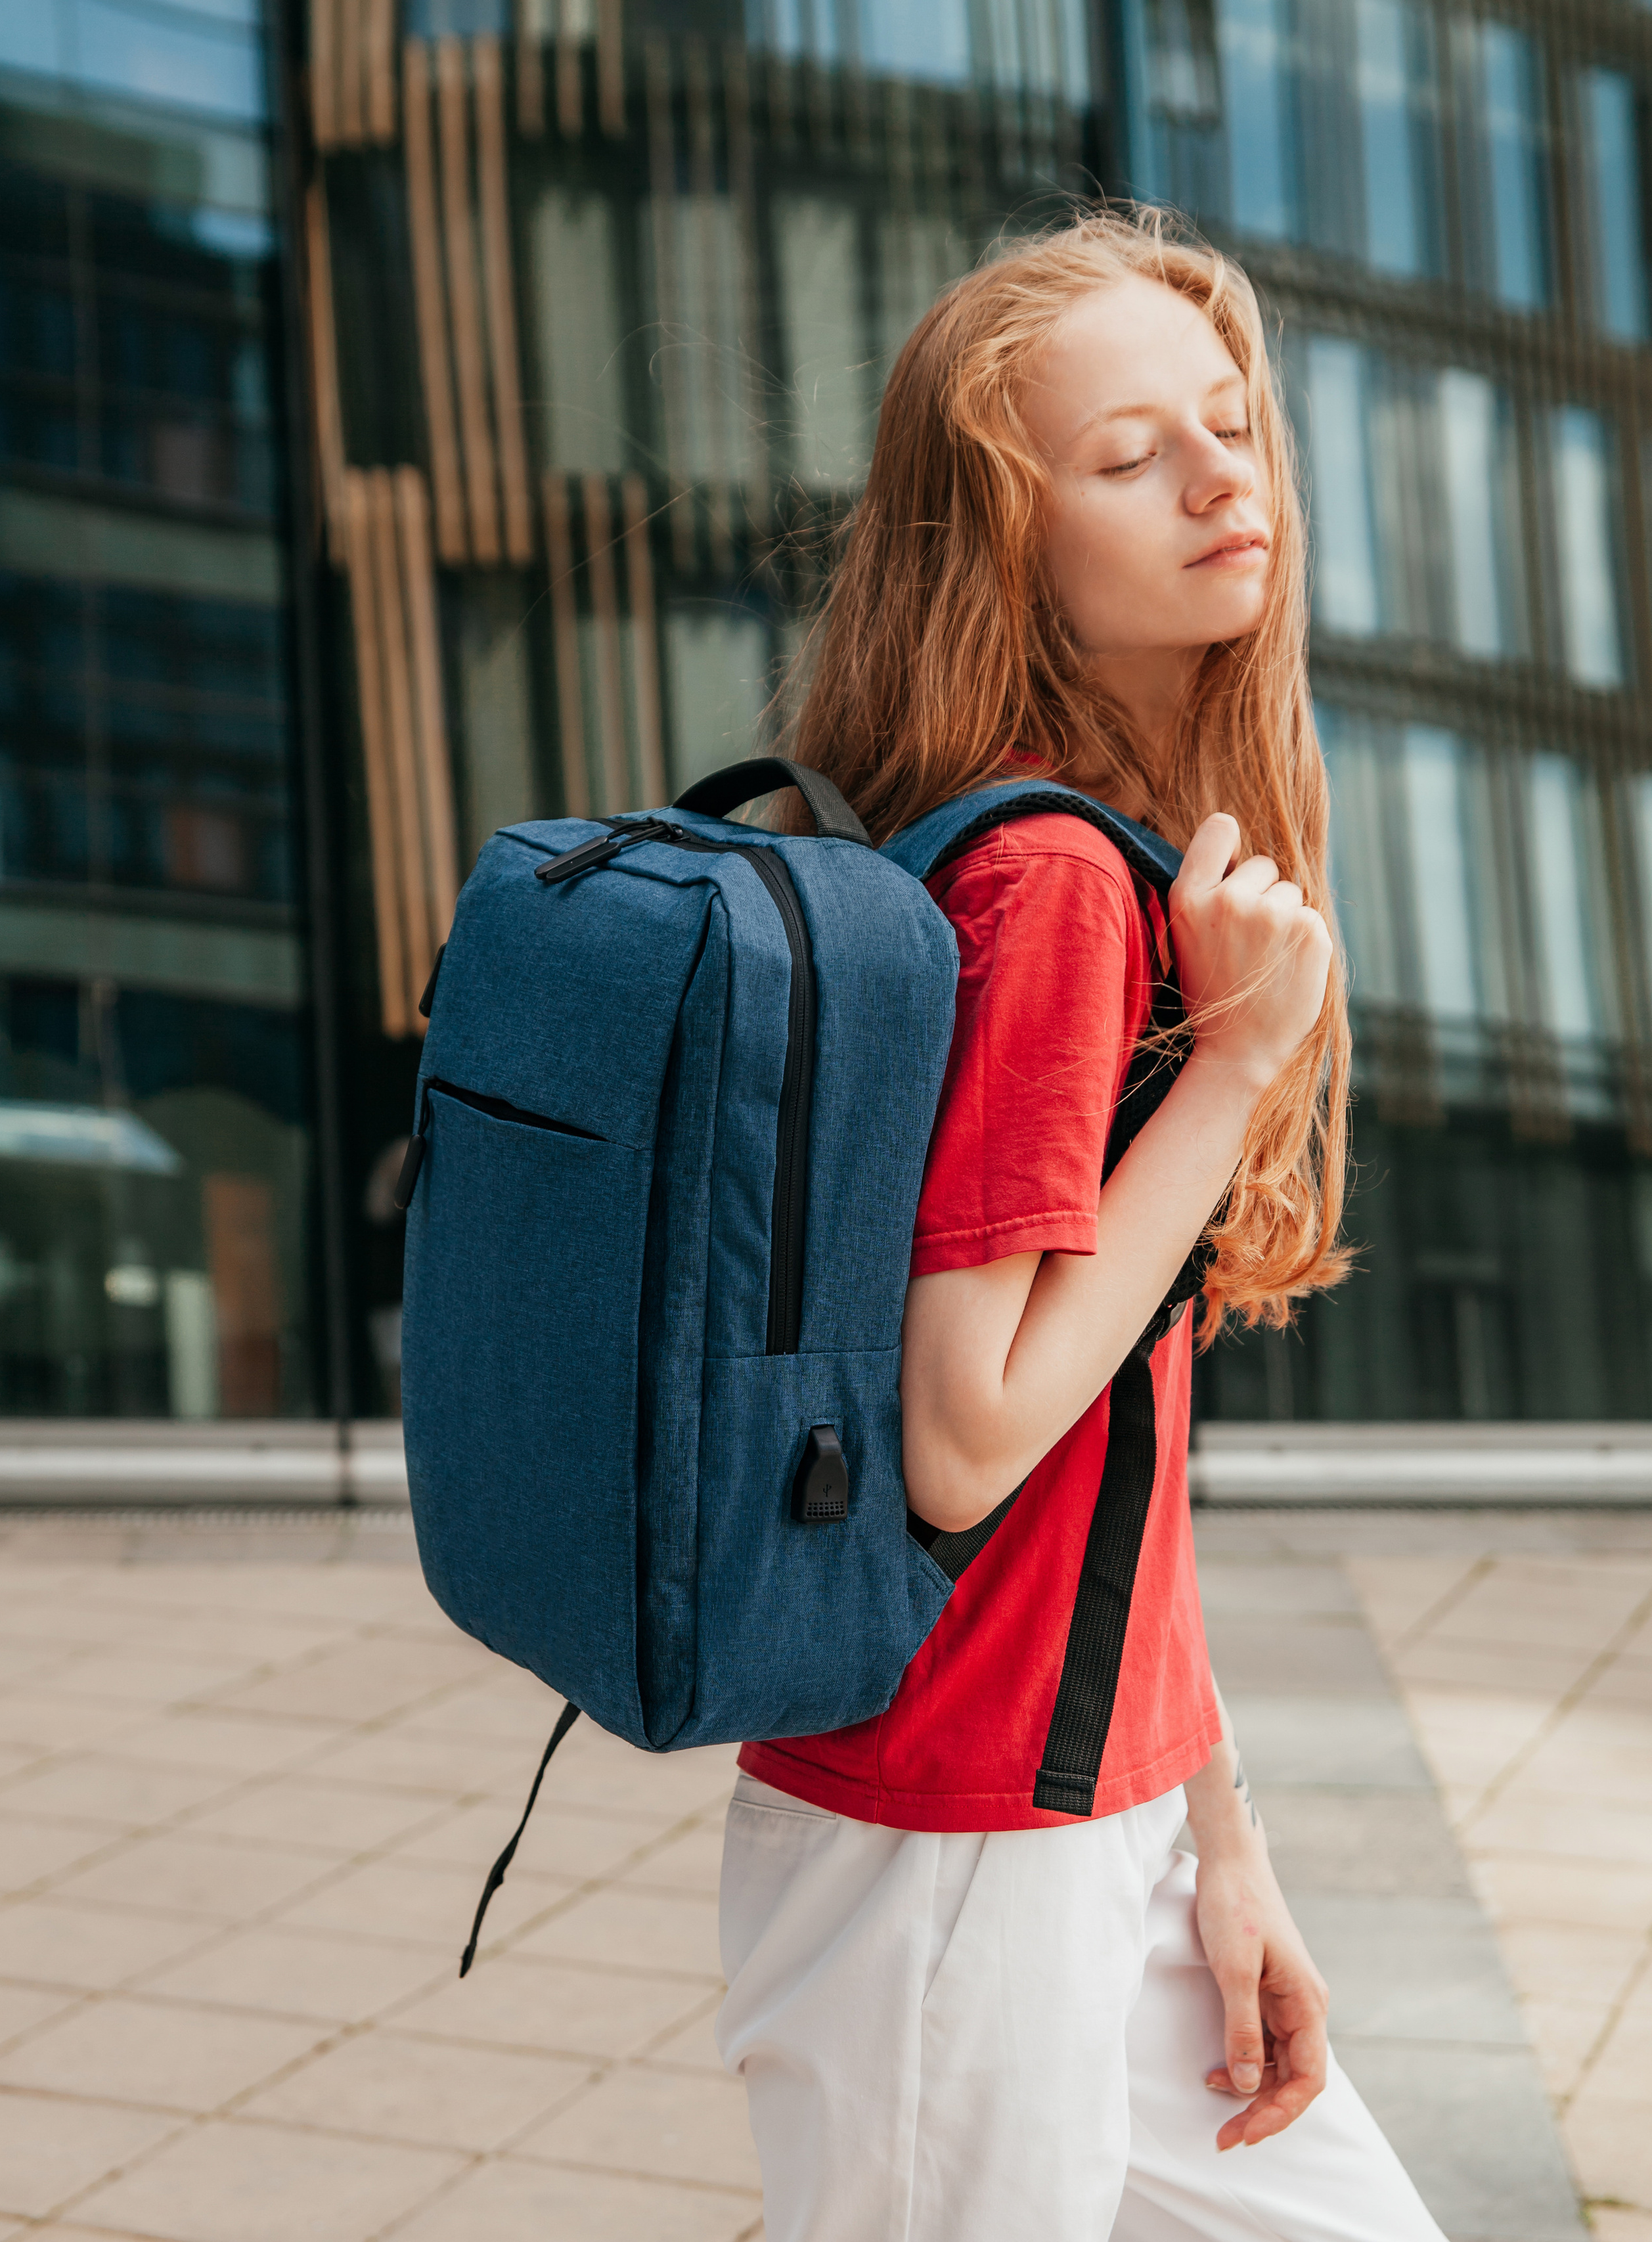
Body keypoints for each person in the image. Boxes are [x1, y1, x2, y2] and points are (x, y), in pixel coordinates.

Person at [712, 210, 1446, 2242]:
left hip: (1074, 1807)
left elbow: (1125, 1454)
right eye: (1132, 456)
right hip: (953, 1849)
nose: (1222, 477)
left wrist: (1222, 1843)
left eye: (1231, 425)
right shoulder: (1048, 886)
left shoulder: (1105, 855)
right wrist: (1235, 1063)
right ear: (1007, 545)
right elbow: (970, 1434)